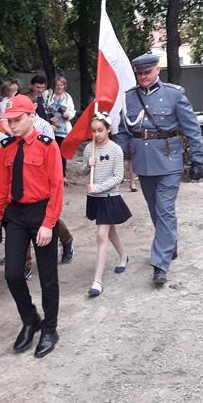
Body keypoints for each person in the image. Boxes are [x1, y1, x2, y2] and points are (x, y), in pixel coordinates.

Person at [116, 54, 203, 286]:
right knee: (155, 210)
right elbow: (124, 131)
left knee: (165, 210)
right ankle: (169, 244)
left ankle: (160, 264)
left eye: (147, 72)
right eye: (139, 73)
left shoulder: (174, 94)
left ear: (157, 70)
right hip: (143, 163)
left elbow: (192, 128)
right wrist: (117, 158)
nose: (143, 77)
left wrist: (198, 159)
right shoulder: (130, 97)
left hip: (169, 161)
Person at [0, 94, 64, 358]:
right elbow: (0, 187)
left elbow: (57, 187)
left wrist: (48, 223)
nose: (12, 125)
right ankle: (30, 319)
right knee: (12, 274)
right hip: (16, 215)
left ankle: (50, 329)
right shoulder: (7, 148)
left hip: (41, 213)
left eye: (18, 119)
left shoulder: (47, 146)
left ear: (32, 116)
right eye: (9, 121)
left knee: (47, 277)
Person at [20, 87, 74, 267]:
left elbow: (52, 153)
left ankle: (66, 239)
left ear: (34, 106)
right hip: (21, 181)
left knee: (49, 218)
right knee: (20, 220)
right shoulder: (14, 125)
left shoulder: (43, 126)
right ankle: (25, 263)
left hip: (41, 181)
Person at [82, 112, 130, 298]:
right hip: (95, 198)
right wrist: (88, 165)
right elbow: (82, 172)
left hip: (109, 197)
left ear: (108, 129)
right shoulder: (89, 148)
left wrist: (99, 187)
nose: (97, 134)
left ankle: (97, 281)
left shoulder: (116, 150)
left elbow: (119, 177)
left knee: (102, 235)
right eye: (93, 131)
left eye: (100, 130)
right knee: (110, 232)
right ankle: (123, 256)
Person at [44, 76, 76, 177]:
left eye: (61, 85)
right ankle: (50, 174)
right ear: (54, 85)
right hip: (50, 129)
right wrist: (49, 119)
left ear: (64, 86)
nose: (59, 87)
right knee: (50, 152)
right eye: (57, 85)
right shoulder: (48, 95)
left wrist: (68, 114)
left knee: (62, 153)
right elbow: (43, 109)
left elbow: (72, 111)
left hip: (63, 130)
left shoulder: (67, 97)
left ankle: (62, 175)